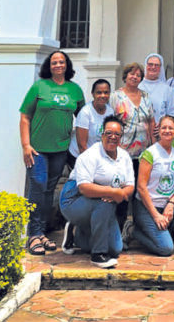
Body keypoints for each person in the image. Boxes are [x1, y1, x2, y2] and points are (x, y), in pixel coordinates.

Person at [19, 50, 85, 255]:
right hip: (37, 150)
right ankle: (33, 235)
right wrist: (26, 145)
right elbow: (25, 117)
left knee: (49, 190)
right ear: (49, 66)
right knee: (37, 186)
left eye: (62, 62)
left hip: (60, 149)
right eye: (54, 62)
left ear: (67, 65)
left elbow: (83, 117)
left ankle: (42, 233)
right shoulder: (39, 87)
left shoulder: (74, 90)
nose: (58, 65)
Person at [59, 116, 135, 268]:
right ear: (102, 135)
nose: (112, 137)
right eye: (108, 133)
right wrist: (111, 192)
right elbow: (84, 188)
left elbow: (130, 186)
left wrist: (118, 194)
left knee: (115, 249)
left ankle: (76, 236)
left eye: (117, 134)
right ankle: (98, 255)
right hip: (74, 199)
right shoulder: (90, 155)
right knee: (104, 204)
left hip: (103, 201)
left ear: (121, 137)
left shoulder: (125, 156)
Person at [132, 115, 174, 256]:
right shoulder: (150, 153)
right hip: (147, 206)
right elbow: (141, 188)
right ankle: (134, 232)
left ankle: (162, 230)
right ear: (159, 130)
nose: (167, 131)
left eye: (170, 128)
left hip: (167, 204)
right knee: (166, 249)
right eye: (163, 127)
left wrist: (171, 204)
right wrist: (156, 215)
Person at [110, 63, 155, 227]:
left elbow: (151, 122)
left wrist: (154, 146)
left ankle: (138, 228)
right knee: (122, 192)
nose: (134, 77)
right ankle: (118, 229)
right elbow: (109, 123)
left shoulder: (145, 96)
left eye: (138, 75)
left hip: (143, 153)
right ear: (125, 76)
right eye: (131, 74)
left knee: (139, 191)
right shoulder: (116, 96)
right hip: (122, 153)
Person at [72, 79, 114, 156]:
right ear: (92, 94)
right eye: (99, 92)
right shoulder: (85, 113)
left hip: (97, 155)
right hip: (80, 155)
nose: (103, 95)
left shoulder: (110, 111)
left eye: (106, 92)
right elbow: (82, 146)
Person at [140, 53, 170, 124]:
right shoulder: (137, 86)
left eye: (157, 65)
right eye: (150, 64)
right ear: (146, 66)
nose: (153, 67)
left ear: (160, 68)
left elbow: (172, 113)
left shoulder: (167, 89)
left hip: (160, 130)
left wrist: (162, 124)